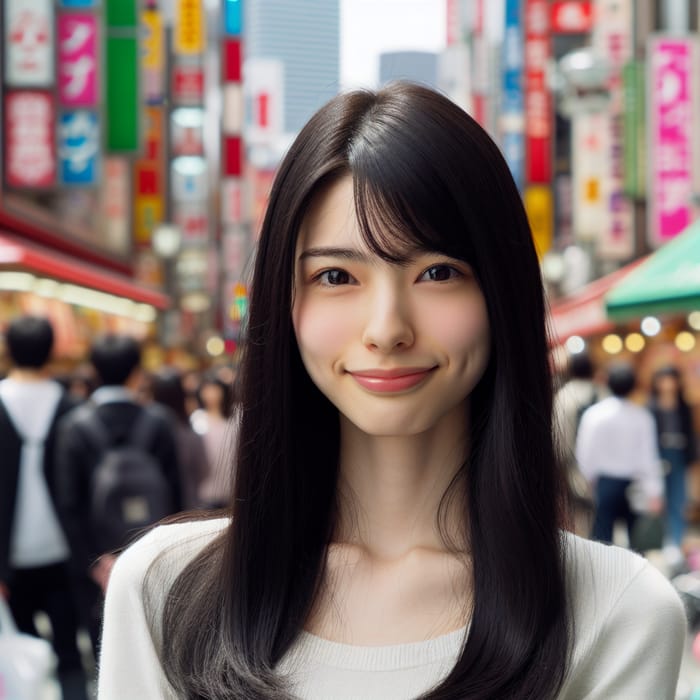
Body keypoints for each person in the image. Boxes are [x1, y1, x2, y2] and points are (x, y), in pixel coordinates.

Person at [98, 83, 685, 699]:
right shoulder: (166, 587)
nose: (386, 329)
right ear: (284, 303)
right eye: (335, 276)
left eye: (437, 272)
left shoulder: (617, 612)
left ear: (500, 295)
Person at [54, 333, 182, 656]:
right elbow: (178, 497)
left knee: (106, 654)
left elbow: (69, 505)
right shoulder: (159, 423)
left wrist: (96, 564)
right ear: (137, 372)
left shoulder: (74, 428)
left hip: (97, 567)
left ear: (93, 370)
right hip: (155, 561)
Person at [0, 316, 88, 700]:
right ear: (52, 350)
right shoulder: (72, 408)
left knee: (19, 655)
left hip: (8, 558)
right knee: (71, 652)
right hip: (65, 551)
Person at [576, 362, 665, 550]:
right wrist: (654, 492)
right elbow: (648, 457)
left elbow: (584, 452)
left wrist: (587, 480)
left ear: (607, 383)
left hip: (604, 483)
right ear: (634, 386)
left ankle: (604, 577)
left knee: (602, 541)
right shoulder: (642, 417)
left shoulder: (594, 415)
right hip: (633, 484)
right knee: (635, 543)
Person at [649, 365, 697, 556]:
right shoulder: (651, 405)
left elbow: (690, 433)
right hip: (659, 454)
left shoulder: (683, 405)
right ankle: (662, 539)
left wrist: (692, 458)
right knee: (659, 497)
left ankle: (676, 541)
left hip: (679, 453)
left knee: (678, 498)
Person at [553, 350, 600, 533]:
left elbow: (559, 435)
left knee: (580, 514)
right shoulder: (602, 392)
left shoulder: (565, 396)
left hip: (574, 465)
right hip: (601, 468)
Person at [151, 367, 210, 510]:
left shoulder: (147, 432)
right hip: (187, 510)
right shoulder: (188, 433)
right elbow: (203, 470)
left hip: (154, 508)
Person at [190, 372, 237, 508]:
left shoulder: (233, 418)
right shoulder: (197, 418)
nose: (211, 395)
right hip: (206, 487)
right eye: (207, 390)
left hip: (230, 484)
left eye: (215, 389)